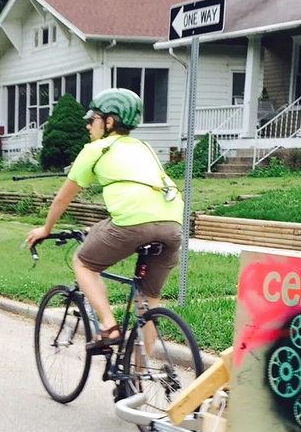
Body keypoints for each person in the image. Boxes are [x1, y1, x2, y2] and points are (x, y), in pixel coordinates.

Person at [24, 88, 183, 352]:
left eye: (93, 119)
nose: (88, 124)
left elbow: (64, 198)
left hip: (132, 223)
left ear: (109, 122)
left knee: (84, 264)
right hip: (171, 224)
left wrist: (46, 228)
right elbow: (139, 193)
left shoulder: (96, 149)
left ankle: (109, 328)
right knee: (148, 304)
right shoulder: (144, 147)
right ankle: (138, 379)